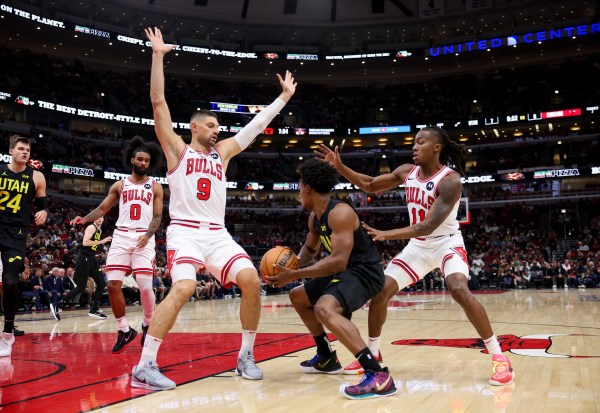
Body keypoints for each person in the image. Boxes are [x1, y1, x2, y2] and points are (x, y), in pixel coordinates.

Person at [130, 27, 297, 391]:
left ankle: (245, 356)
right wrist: (157, 55)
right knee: (185, 287)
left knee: (252, 279)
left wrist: (282, 99)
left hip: (217, 234)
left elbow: (255, 127)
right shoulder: (177, 149)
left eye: (218, 126)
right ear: (193, 127)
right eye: (210, 125)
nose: (216, 131)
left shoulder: (222, 154)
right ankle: (145, 365)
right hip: (186, 231)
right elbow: (158, 103)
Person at [315, 126, 514, 386]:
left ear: (436, 147)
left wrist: (387, 234)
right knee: (380, 291)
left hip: (446, 242)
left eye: (421, 142)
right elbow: (370, 185)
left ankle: (499, 358)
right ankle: (373, 352)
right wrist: (339, 166)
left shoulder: (450, 180)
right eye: (414, 142)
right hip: (418, 247)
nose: (414, 147)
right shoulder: (408, 171)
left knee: (458, 288)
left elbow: (428, 225)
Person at [267, 159, 396, 400]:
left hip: (364, 273)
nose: (298, 191)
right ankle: (326, 356)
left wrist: (293, 275)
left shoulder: (340, 213)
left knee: (324, 308)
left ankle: (378, 374)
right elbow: (310, 250)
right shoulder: (315, 218)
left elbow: (338, 261)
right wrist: (286, 266)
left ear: (307, 188)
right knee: (297, 296)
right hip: (344, 272)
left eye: (299, 186)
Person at [66, 136, 164, 353]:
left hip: (143, 238)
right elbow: (102, 209)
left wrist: (148, 235)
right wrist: (84, 219)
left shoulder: (156, 187)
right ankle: (124, 330)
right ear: (132, 160)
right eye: (140, 159)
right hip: (121, 236)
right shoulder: (119, 185)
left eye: (147, 161)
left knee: (145, 286)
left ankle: (148, 323)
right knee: (112, 286)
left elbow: (157, 217)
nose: (143, 163)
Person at [0, 135, 48, 356]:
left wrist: (43, 212)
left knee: (10, 283)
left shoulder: (37, 177)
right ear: (11, 151)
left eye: (27, 149)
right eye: (20, 148)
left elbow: (43, 204)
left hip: (16, 235)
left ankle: (8, 332)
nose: (25, 152)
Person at [53, 217, 111, 320]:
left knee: (101, 283)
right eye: (97, 217)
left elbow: (95, 244)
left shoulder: (99, 230)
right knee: (81, 287)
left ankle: (94, 309)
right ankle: (58, 305)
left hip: (92, 259)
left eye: (101, 217)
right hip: (84, 258)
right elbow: (85, 242)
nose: (99, 219)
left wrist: (104, 251)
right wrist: (102, 241)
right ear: (94, 218)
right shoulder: (91, 227)